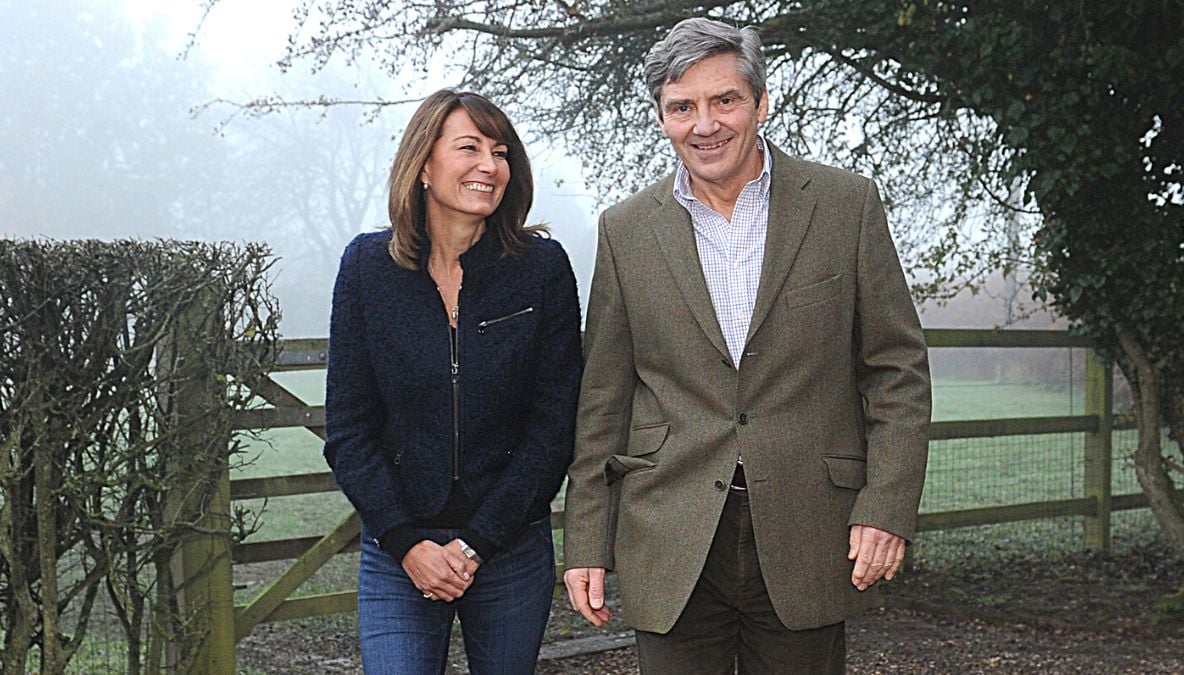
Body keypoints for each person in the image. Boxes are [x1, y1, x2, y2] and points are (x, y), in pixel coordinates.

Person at [562, 17, 931, 674]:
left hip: (811, 530)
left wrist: (888, 503)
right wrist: (587, 540)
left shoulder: (845, 205)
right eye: (682, 107)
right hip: (669, 535)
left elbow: (896, 370)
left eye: (724, 100)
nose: (705, 124)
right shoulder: (624, 231)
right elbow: (603, 400)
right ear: (662, 117)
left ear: (761, 102)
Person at [323, 89, 583, 675]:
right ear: (422, 165)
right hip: (399, 550)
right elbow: (348, 429)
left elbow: (554, 425)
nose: (489, 166)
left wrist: (477, 543)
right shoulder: (367, 269)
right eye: (469, 148)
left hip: (509, 545)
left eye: (500, 151)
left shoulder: (541, 269)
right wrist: (406, 543)